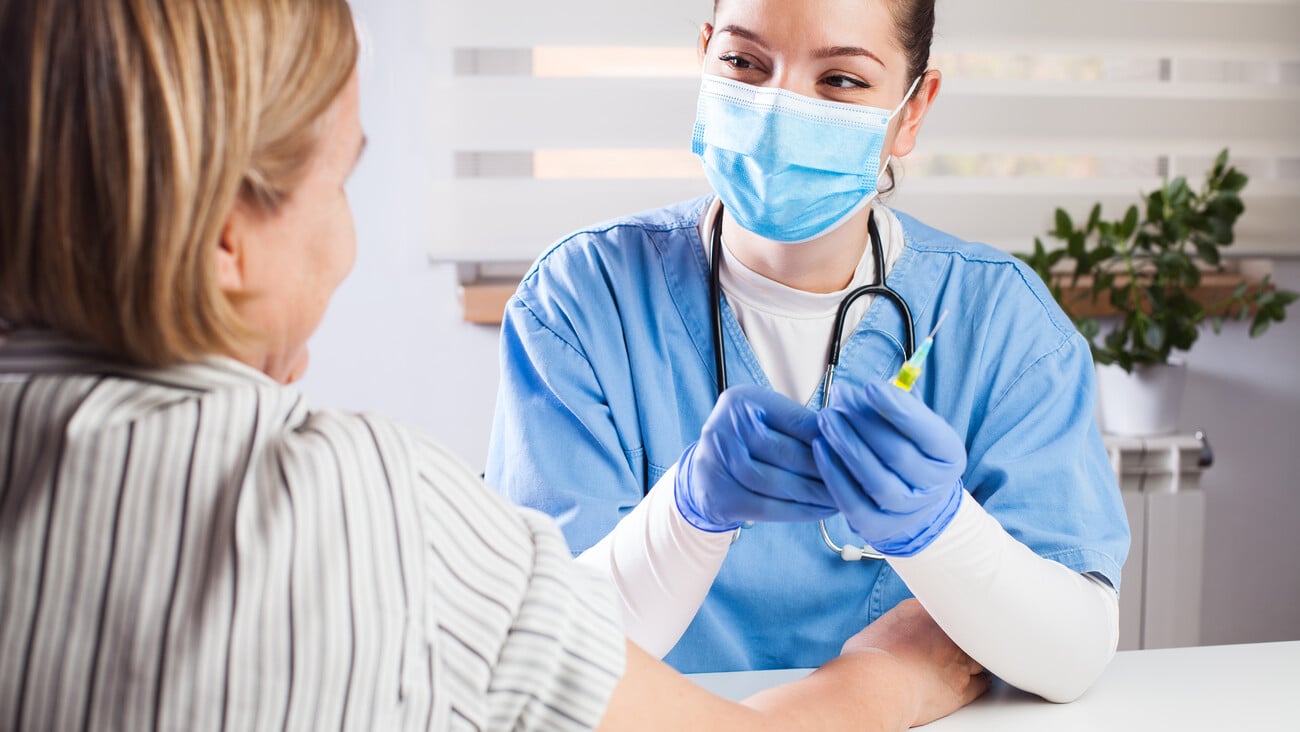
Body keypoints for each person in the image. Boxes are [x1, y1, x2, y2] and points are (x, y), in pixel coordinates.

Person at [0, 0, 988, 729]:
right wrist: (888, 679)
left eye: (842, 78)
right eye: (338, 184)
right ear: (227, 236)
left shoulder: (984, 306)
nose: (344, 248)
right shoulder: (371, 508)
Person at [487, 0, 1131, 703]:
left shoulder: (999, 322)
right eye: (744, 63)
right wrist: (687, 515)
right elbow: (542, 657)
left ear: (911, 112)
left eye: (842, 82)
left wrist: (940, 532)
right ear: (705, 58)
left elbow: (1073, 656)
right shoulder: (582, 300)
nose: (779, 108)